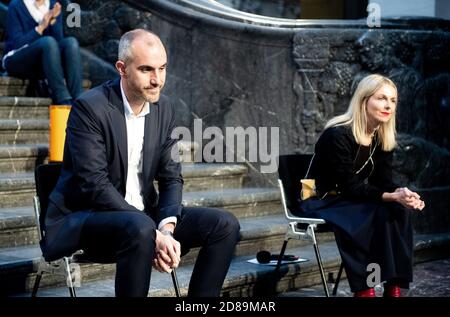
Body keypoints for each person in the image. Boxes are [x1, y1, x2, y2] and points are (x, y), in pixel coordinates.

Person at [43, 29, 240, 297]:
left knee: (224, 224)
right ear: (122, 68)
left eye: (162, 69)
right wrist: (151, 233)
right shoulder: (90, 108)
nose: (157, 80)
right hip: (90, 222)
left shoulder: (164, 108)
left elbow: (171, 177)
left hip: (145, 221)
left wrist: (166, 230)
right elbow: (94, 185)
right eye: (146, 70)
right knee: (140, 228)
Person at [301, 74, 425, 297]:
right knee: (368, 214)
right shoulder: (337, 135)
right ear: (364, 100)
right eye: (381, 98)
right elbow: (350, 186)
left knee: (398, 210)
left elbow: (382, 181)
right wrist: (390, 196)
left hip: (346, 197)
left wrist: (402, 194)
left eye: (393, 100)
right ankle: (366, 287)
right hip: (319, 198)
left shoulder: (380, 136)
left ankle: (394, 286)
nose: (388, 105)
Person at [3, 0, 83, 105]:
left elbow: (58, 43)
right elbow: (17, 43)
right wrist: (41, 27)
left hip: (44, 62)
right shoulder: (16, 5)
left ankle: (79, 101)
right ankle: (63, 99)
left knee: (71, 43)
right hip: (16, 60)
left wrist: (53, 20)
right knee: (48, 42)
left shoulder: (53, 6)